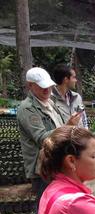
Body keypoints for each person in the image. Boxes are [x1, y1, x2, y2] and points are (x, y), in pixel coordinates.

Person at [17, 67, 81, 200]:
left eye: (49, 86)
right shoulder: (27, 109)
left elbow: (61, 127)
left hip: (57, 162)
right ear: (30, 85)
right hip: (43, 168)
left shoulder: (51, 102)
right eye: (42, 87)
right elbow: (41, 138)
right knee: (46, 205)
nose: (47, 90)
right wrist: (67, 126)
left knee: (58, 204)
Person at [51, 63, 88, 128]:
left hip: (79, 137)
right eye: (74, 77)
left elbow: (84, 119)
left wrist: (87, 134)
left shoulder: (77, 97)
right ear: (66, 79)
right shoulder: (50, 99)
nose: (76, 80)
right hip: (62, 136)